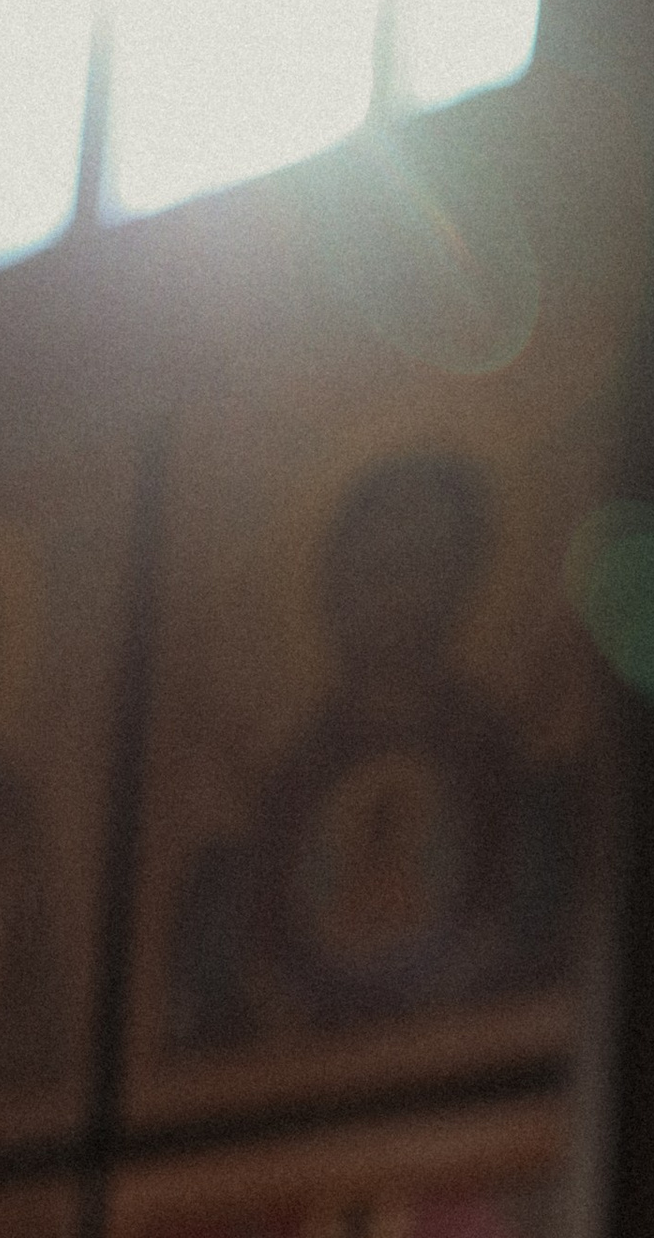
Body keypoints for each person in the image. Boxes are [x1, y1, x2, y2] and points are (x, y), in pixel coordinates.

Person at [164, 449, 586, 1061]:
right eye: (366, 563)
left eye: (412, 561)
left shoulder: (528, 796)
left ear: (462, 577)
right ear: (330, 583)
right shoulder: (276, 803)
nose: (384, 589)